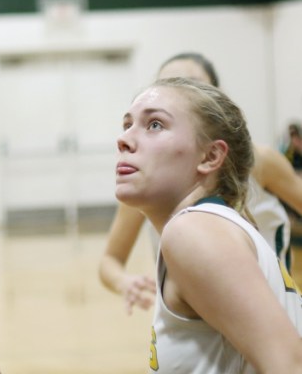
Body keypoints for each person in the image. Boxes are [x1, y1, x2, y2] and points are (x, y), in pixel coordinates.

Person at [116, 76, 302, 372]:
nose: (123, 139)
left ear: (211, 156)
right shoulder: (213, 227)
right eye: (127, 124)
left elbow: (290, 365)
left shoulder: (193, 232)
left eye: (155, 125)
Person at [99, 52, 302, 311]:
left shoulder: (261, 161)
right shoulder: (146, 184)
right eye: (169, 85)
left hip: (269, 311)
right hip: (192, 318)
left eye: (193, 84)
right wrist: (125, 282)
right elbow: (110, 260)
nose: (181, 93)